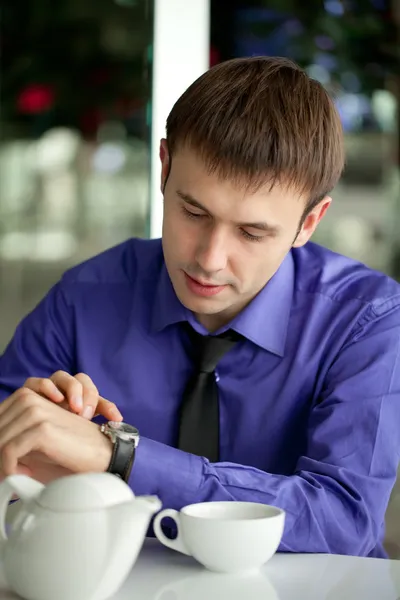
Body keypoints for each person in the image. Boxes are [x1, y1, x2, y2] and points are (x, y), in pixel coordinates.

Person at [0, 56, 399, 558]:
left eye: (253, 232)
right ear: (164, 168)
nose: (209, 260)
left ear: (310, 221)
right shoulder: (84, 298)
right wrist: (31, 444)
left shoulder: (367, 320)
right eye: (194, 211)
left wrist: (119, 458)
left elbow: (345, 521)